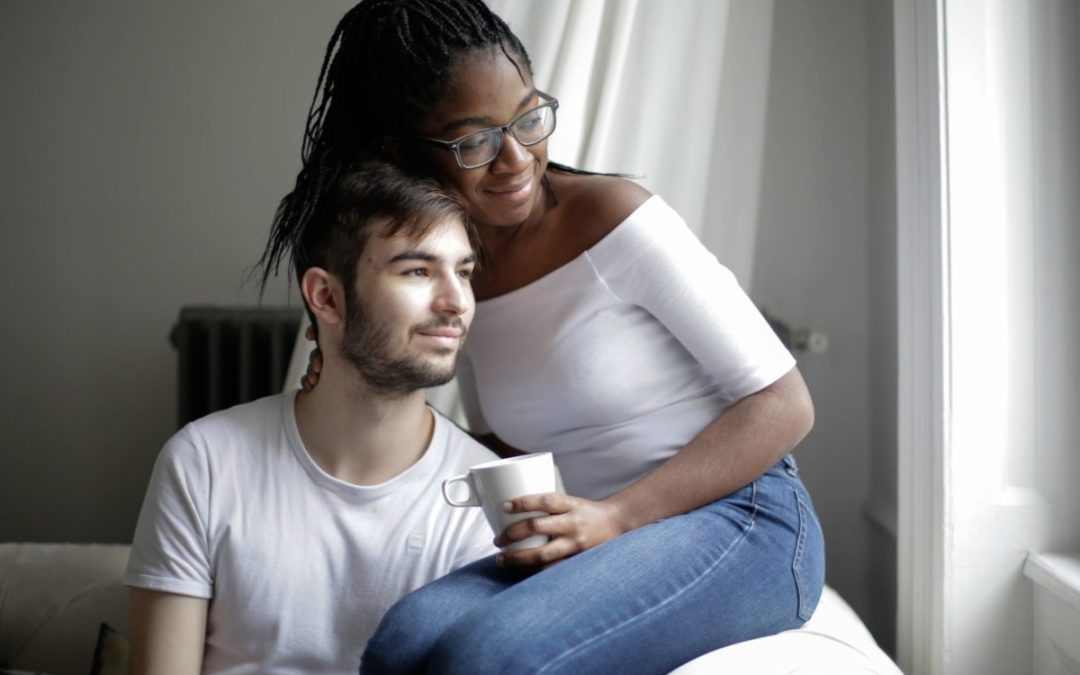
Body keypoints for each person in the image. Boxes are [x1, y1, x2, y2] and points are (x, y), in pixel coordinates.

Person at [270, 1, 827, 672]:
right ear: (404, 149)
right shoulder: (453, 264)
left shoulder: (614, 219)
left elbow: (786, 403)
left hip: (745, 517)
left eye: (529, 118)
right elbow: (505, 441)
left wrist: (617, 516)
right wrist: (345, 367)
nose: (517, 158)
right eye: (475, 140)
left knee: (486, 657)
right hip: (592, 530)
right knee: (401, 643)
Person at [124, 162, 500, 674]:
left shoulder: (484, 496)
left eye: (463, 272)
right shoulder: (204, 462)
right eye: (417, 270)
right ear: (326, 296)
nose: (457, 302)